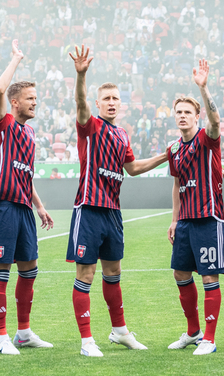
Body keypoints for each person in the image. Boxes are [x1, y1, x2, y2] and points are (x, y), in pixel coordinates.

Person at [66, 46, 167, 356]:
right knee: (86, 275)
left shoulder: (122, 134)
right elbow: (80, 102)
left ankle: (120, 332)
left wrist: (165, 155)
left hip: (112, 213)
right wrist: (81, 75)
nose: (111, 102)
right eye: (106, 99)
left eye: (115, 99)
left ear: (121, 104)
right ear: (98, 104)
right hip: (89, 209)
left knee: (113, 273)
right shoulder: (90, 126)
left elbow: (132, 168)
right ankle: (87, 341)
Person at [0, 40, 56, 355]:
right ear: (15, 102)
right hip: (4, 207)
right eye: (30, 98)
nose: (35, 103)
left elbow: (25, 174)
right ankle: (2, 338)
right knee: (2, 270)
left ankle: (23, 333)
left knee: (29, 269)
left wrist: (40, 206)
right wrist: (16, 59)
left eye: (36, 98)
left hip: (24, 209)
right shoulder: (3, 124)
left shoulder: (30, 133)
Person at [166, 59, 224, 356]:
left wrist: (203, 88)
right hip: (185, 221)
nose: (182, 116)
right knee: (181, 274)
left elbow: (216, 121)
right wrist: (174, 220)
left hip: (208, 218)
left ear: (196, 116)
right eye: (178, 112)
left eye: (187, 112)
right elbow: (177, 184)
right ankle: (193, 332)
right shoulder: (174, 149)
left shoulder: (207, 138)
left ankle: (210, 339)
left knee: (208, 277)